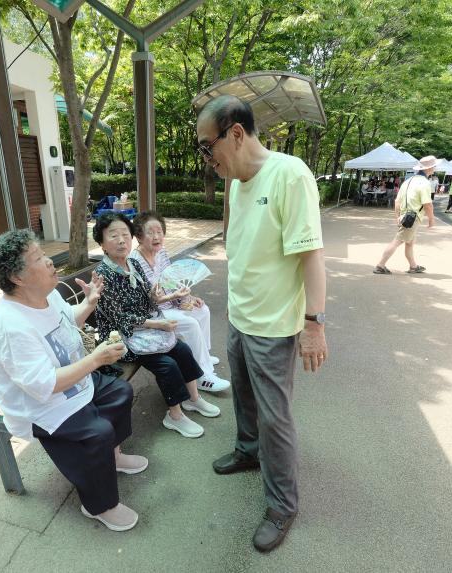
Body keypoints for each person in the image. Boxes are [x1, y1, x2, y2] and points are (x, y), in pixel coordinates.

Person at [196, 95, 328, 552]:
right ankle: (247, 453)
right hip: (240, 315)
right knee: (245, 399)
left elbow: (311, 255)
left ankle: (282, 505)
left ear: (235, 134)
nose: (205, 157)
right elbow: (238, 242)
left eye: (205, 146)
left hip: (273, 327)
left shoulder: (290, 174)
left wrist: (314, 324)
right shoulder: (235, 181)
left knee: (277, 419)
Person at [0, 229, 147, 532]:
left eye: (44, 254)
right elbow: (43, 385)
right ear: (17, 278)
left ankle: (114, 455)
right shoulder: (11, 325)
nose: (49, 261)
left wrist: (89, 304)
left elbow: (66, 321)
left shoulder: (48, 294)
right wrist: (96, 358)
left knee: (119, 392)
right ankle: (100, 505)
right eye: (38, 258)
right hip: (39, 406)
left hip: (69, 383)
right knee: (96, 432)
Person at [92, 212, 220, 439]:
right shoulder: (102, 275)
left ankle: (193, 399)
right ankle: (175, 416)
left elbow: (149, 299)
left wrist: (167, 297)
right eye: (113, 236)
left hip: (145, 329)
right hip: (121, 337)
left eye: (125, 234)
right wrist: (158, 324)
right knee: (166, 363)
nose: (121, 240)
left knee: (182, 350)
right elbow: (120, 319)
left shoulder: (132, 263)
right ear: (102, 244)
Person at [129, 211, 231, 393]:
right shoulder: (134, 262)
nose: (156, 236)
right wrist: (173, 300)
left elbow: (172, 279)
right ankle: (202, 376)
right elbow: (146, 299)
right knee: (190, 323)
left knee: (202, 310)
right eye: (150, 232)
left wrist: (186, 299)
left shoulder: (161, 253)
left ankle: (204, 356)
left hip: (170, 304)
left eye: (159, 231)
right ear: (139, 236)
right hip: (154, 312)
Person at [374, 155, 437, 274]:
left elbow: (397, 201)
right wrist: (431, 220)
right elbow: (427, 204)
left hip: (405, 216)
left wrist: (397, 216)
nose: (435, 168)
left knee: (409, 242)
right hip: (413, 218)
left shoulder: (408, 181)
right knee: (397, 241)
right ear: (429, 168)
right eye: (434, 166)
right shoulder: (424, 183)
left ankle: (413, 266)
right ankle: (380, 265)